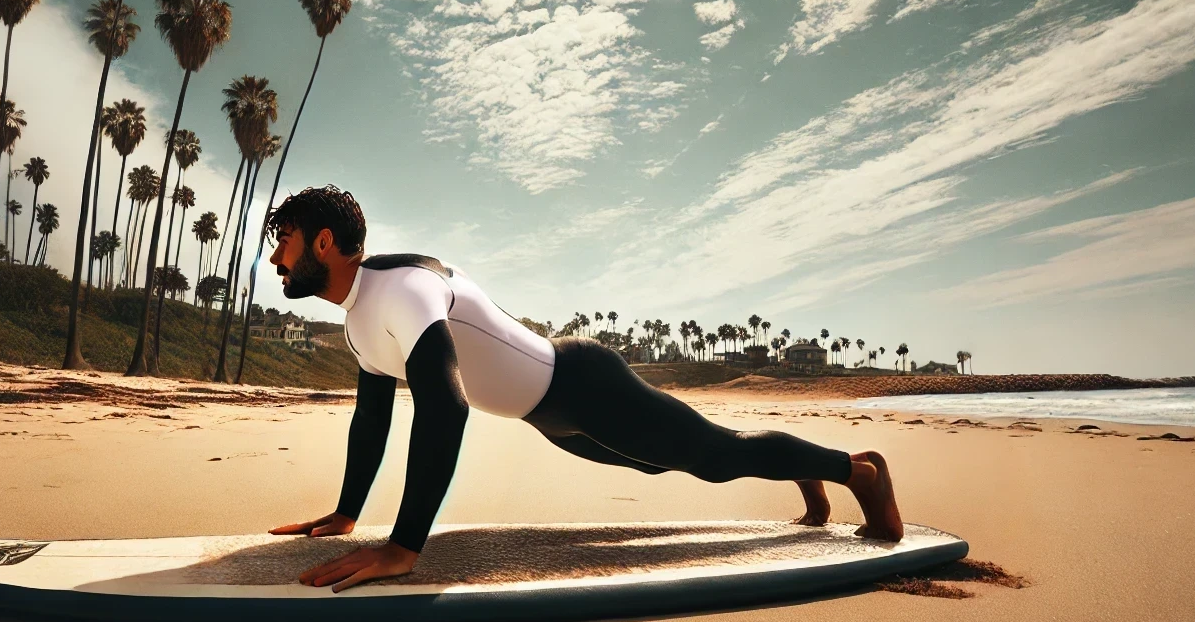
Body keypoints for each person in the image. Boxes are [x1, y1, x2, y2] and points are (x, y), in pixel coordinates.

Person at [263, 186, 903, 592]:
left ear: (324, 241)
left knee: (711, 457)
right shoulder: (357, 320)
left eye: (283, 244)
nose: (276, 261)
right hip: (550, 417)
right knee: (666, 461)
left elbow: (445, 406)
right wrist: (348, 512)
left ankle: (856, 473)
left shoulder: (402, 290)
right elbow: (372, 419)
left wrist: (405, 547)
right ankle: (800, 468)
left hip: (582, 382)